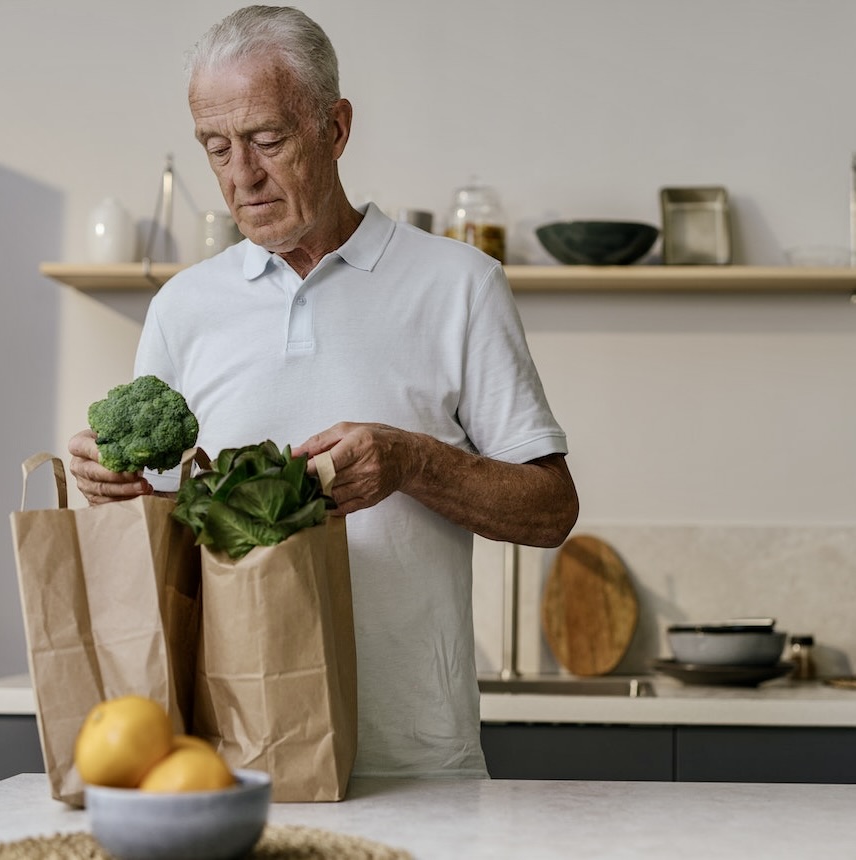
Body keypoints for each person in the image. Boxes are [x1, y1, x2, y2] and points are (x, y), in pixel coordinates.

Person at [69, 5, 579, 778]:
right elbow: (161, 555)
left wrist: (413, 462)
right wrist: (117, 490)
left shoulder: (460, 285)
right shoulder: (182, 307)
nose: (241, 175)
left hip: (416, 765)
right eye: (217, 147)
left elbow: (551, 511)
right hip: (231, 760)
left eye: (267, 139)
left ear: (334, 129)